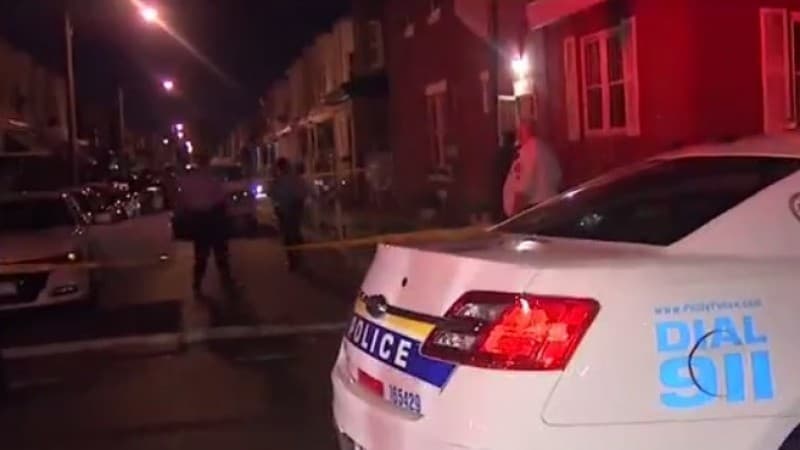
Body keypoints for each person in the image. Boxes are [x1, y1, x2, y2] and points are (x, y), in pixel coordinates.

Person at [176, 151, 236, 297]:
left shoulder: (188, 180)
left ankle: (197, 284)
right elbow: (222, 200)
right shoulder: (212, 180)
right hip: (213, 218)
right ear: (207, 163)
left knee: (201, 254)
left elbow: (182, 200)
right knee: (220, 252)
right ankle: (226, 281)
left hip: (197, 219)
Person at [502, 121, 563, 218]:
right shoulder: (548, 151)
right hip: (550, 207)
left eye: (519, 131)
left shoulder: (527, 152)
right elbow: (558, 178)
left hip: (532, 212)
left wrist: (515, 215)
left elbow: (524, 188)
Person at [271, 158, 307, 272]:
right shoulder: (288, 178)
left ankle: (294, 259)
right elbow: (303, 191)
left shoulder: (282, 179)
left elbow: (273, 194)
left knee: (289, 235)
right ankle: (296, 257)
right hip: (291, 209)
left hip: (288, 210)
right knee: (293, 233)